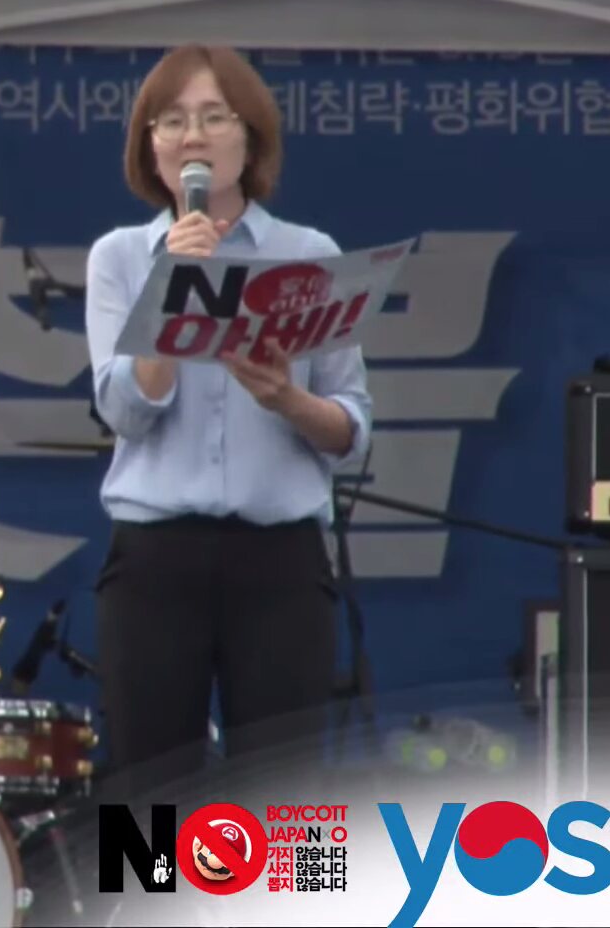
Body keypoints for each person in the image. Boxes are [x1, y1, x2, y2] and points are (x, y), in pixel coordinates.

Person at [81, 44, 373, 796]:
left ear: (250, 137)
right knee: (146, 793)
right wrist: (172, 286)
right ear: (149, 146)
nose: (192, 136)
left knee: (290, 795)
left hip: (280, 562)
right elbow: (122, 411)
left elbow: (351, 429)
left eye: (214, 117)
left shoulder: (309, 254)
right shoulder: (120, 257)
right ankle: (146, 884)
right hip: (155, 560)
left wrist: (286, 397)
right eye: (171, 120)